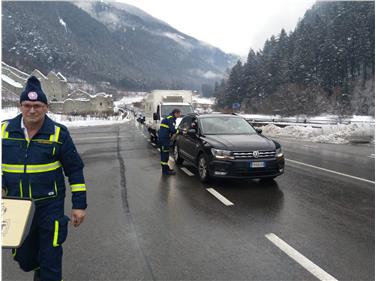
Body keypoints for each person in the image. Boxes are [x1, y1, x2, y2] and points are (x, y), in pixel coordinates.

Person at [2, 76, 87, 281]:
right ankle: (38, 267)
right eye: (27, 105)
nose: (32, 110)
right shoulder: (4, 131)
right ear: (20, 106)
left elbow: (74, 170)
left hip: (49, 207)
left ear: (46, 107)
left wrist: (79, 205)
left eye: (37, 105)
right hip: (18, 207)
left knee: (51, 258)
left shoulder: (59, 134)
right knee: (25, 258)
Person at [158, 108, 181, 175]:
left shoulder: (169, 118)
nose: (179, 115)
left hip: (164, 139)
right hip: (164, 140)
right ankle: (165, 171)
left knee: (165, 155)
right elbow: (173, 130)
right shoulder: (171, 119)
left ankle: (166, 168)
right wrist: (179, 131)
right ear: (175, 113)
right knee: (164, 156)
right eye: (179, 114)